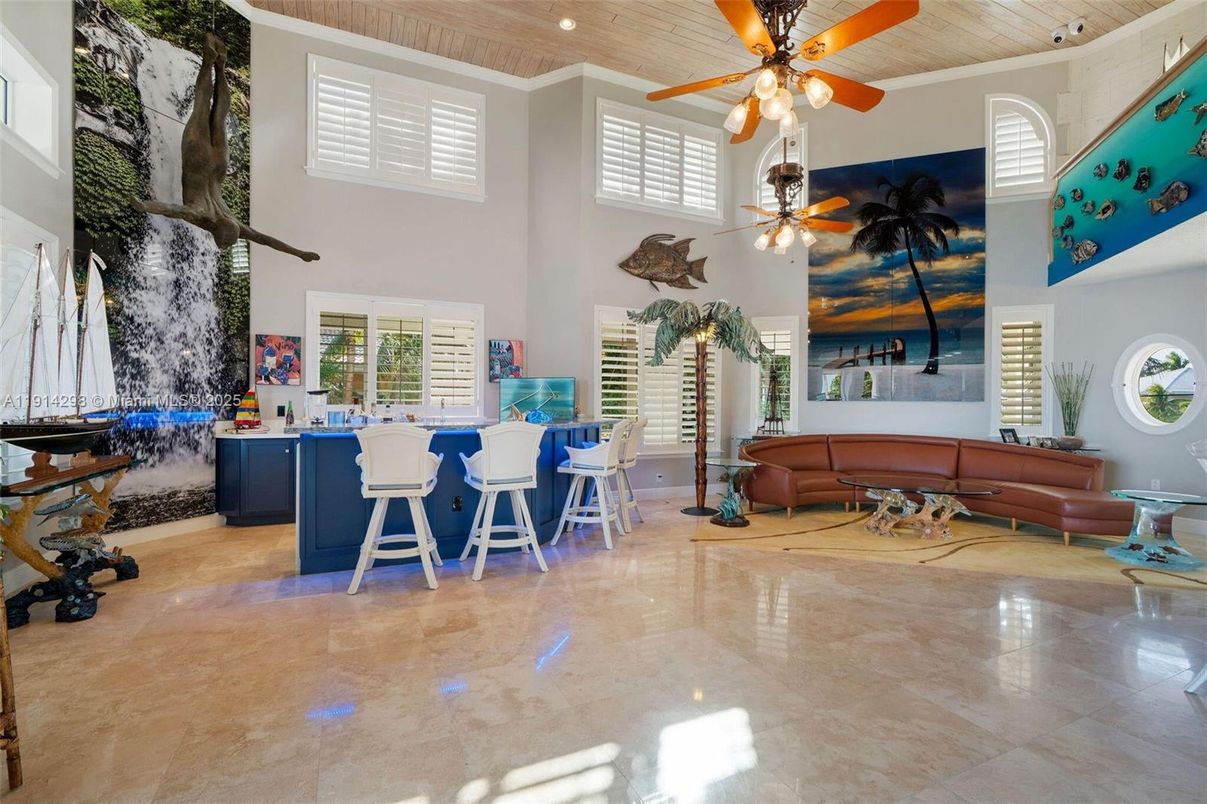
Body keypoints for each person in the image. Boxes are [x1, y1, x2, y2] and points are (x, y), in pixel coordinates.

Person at [137, 32, 319, 262]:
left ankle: (220, 64)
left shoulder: (222, 219)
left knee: (216, 114)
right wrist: (144, 206)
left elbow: (264, 239)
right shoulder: (200, 215)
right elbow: (170, 210)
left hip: (218, 164)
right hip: (199, 159)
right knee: (203, 107)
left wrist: (299, 253)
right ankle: (211, 61)